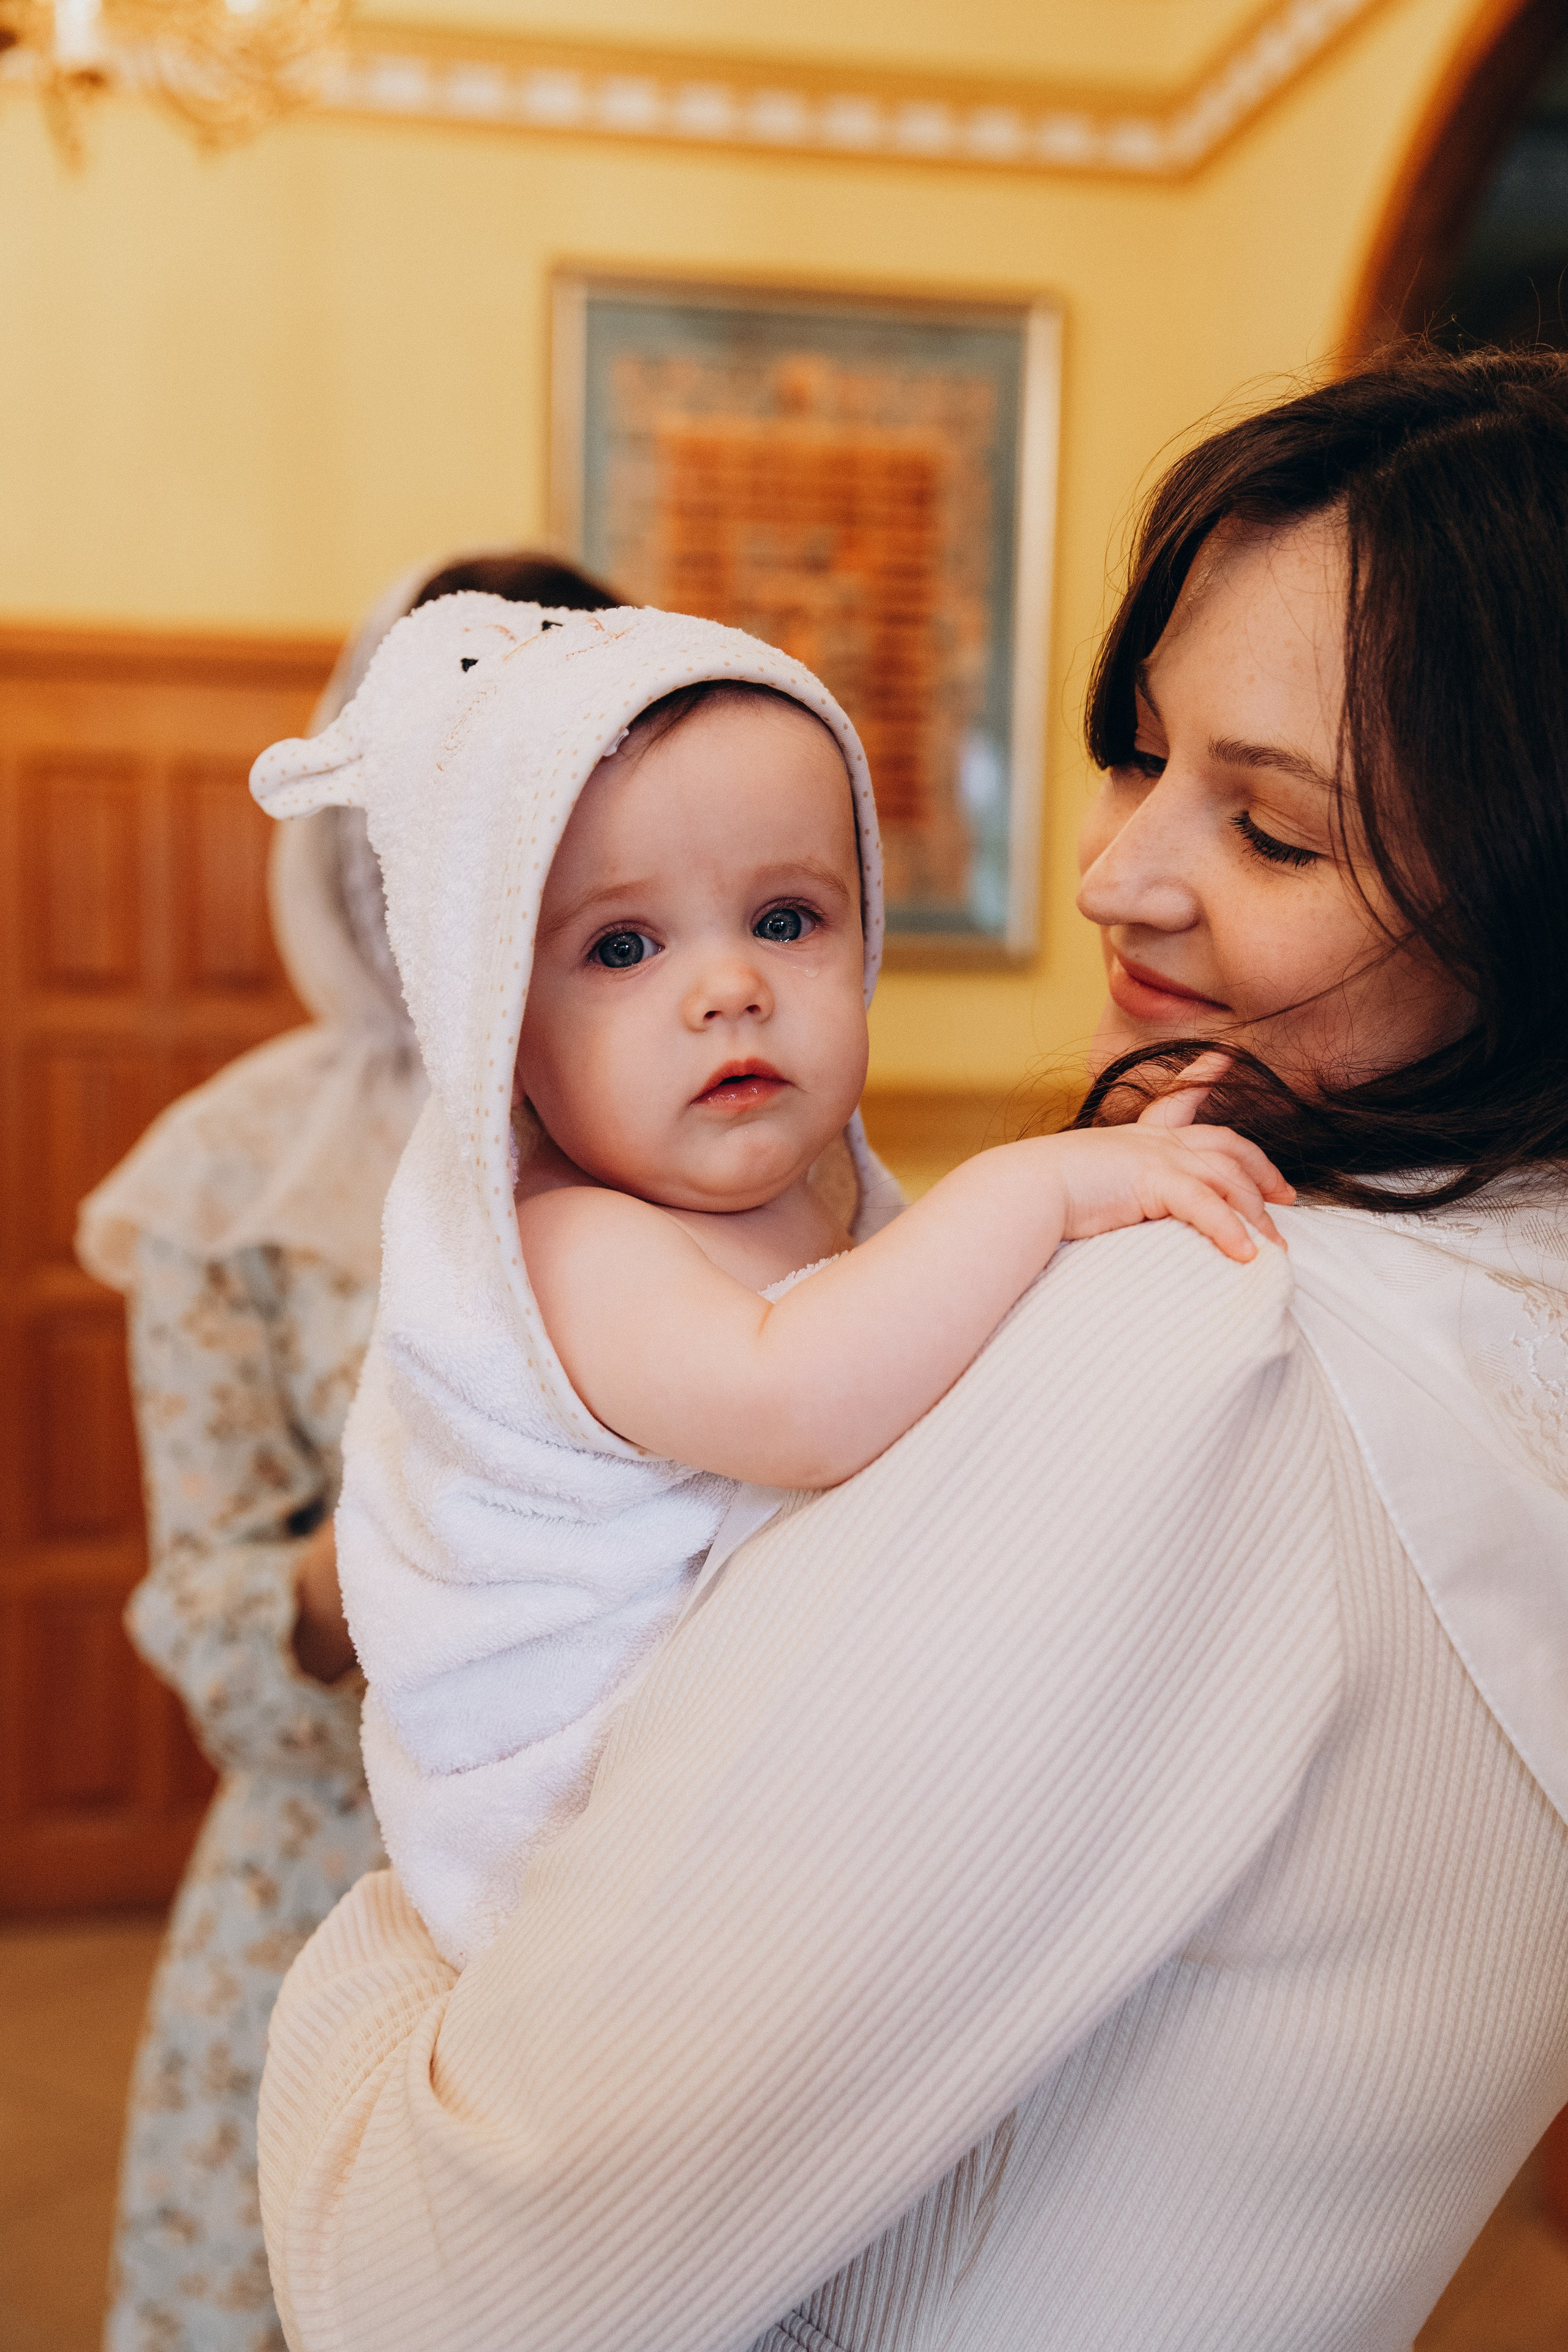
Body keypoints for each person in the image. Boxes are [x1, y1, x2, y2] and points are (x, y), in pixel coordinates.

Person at [258, 350, 1568, 2352]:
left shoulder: (1202, 1357)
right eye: (1137, 757)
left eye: (1273, 832)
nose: (1110, 876)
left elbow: (437, 2287)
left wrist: (373, 1962)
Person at [249, 601, 1287, 1968]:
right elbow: (799, 1401)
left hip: (770, 1787)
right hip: (588, 1860)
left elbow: (952, 1365)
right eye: (623, 948)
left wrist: (1118, 1197)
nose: (727, 986)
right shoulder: (569, 1246)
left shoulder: (824, 1199)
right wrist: (1037, 1188)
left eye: (785, 918)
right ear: (499, 1025)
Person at [80, 552, 617, 2352]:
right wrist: (419, 1524)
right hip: (330, 1895)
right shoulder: (230, 1178)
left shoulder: (720, 1113)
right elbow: (215, 1608)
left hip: (649, 1885)